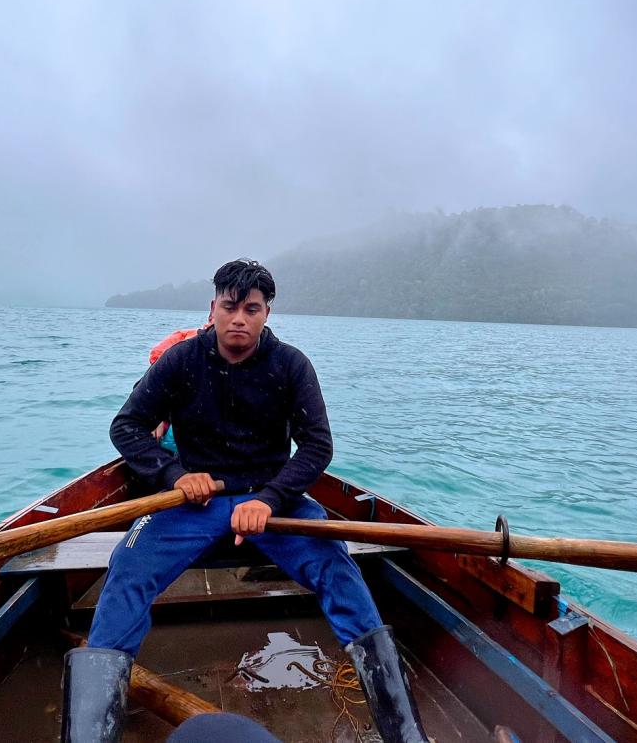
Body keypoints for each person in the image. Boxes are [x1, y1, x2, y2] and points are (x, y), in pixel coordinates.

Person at [60, 259, 428, 743]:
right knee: (127, 568)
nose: (239, 318)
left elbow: (317, 446)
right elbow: (125, 428)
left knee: (340, 571)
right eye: (230, 307)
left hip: (275, 502)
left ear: (266, 314)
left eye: (251, 309)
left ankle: (405, 733)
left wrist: (271, 498)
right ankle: (87, 734)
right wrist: (176, 474)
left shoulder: (291, 365)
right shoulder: (181, 361)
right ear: (212, 308)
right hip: (194, 501)